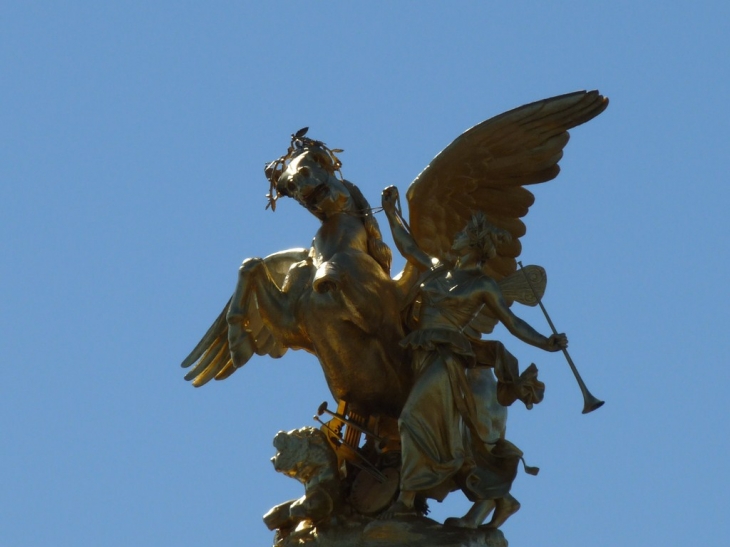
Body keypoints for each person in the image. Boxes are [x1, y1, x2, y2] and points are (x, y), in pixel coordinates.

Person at [379, 186, 568, 528]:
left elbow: (512, 323)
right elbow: (408, 247)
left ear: (476, 244)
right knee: (440, 430)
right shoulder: (438, 269)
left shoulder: (483, 284)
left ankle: (406, 498)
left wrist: (546, 342)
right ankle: (496, 500)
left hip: (448, 359)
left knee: (410, 419)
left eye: (465, 233)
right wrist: (391, 212)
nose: (458, 235)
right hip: (420, 354)